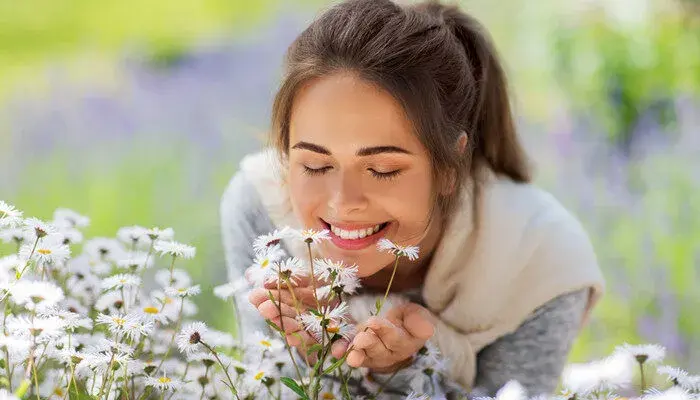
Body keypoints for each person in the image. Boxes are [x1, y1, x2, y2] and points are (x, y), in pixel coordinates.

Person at [220, 0, 605, 397]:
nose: (343, 202)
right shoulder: (262, 210)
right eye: (315, 165)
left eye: (383, 169)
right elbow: (261, 385)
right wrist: (315, 355)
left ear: (450, 166)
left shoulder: (540, 261)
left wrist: (406, 370)